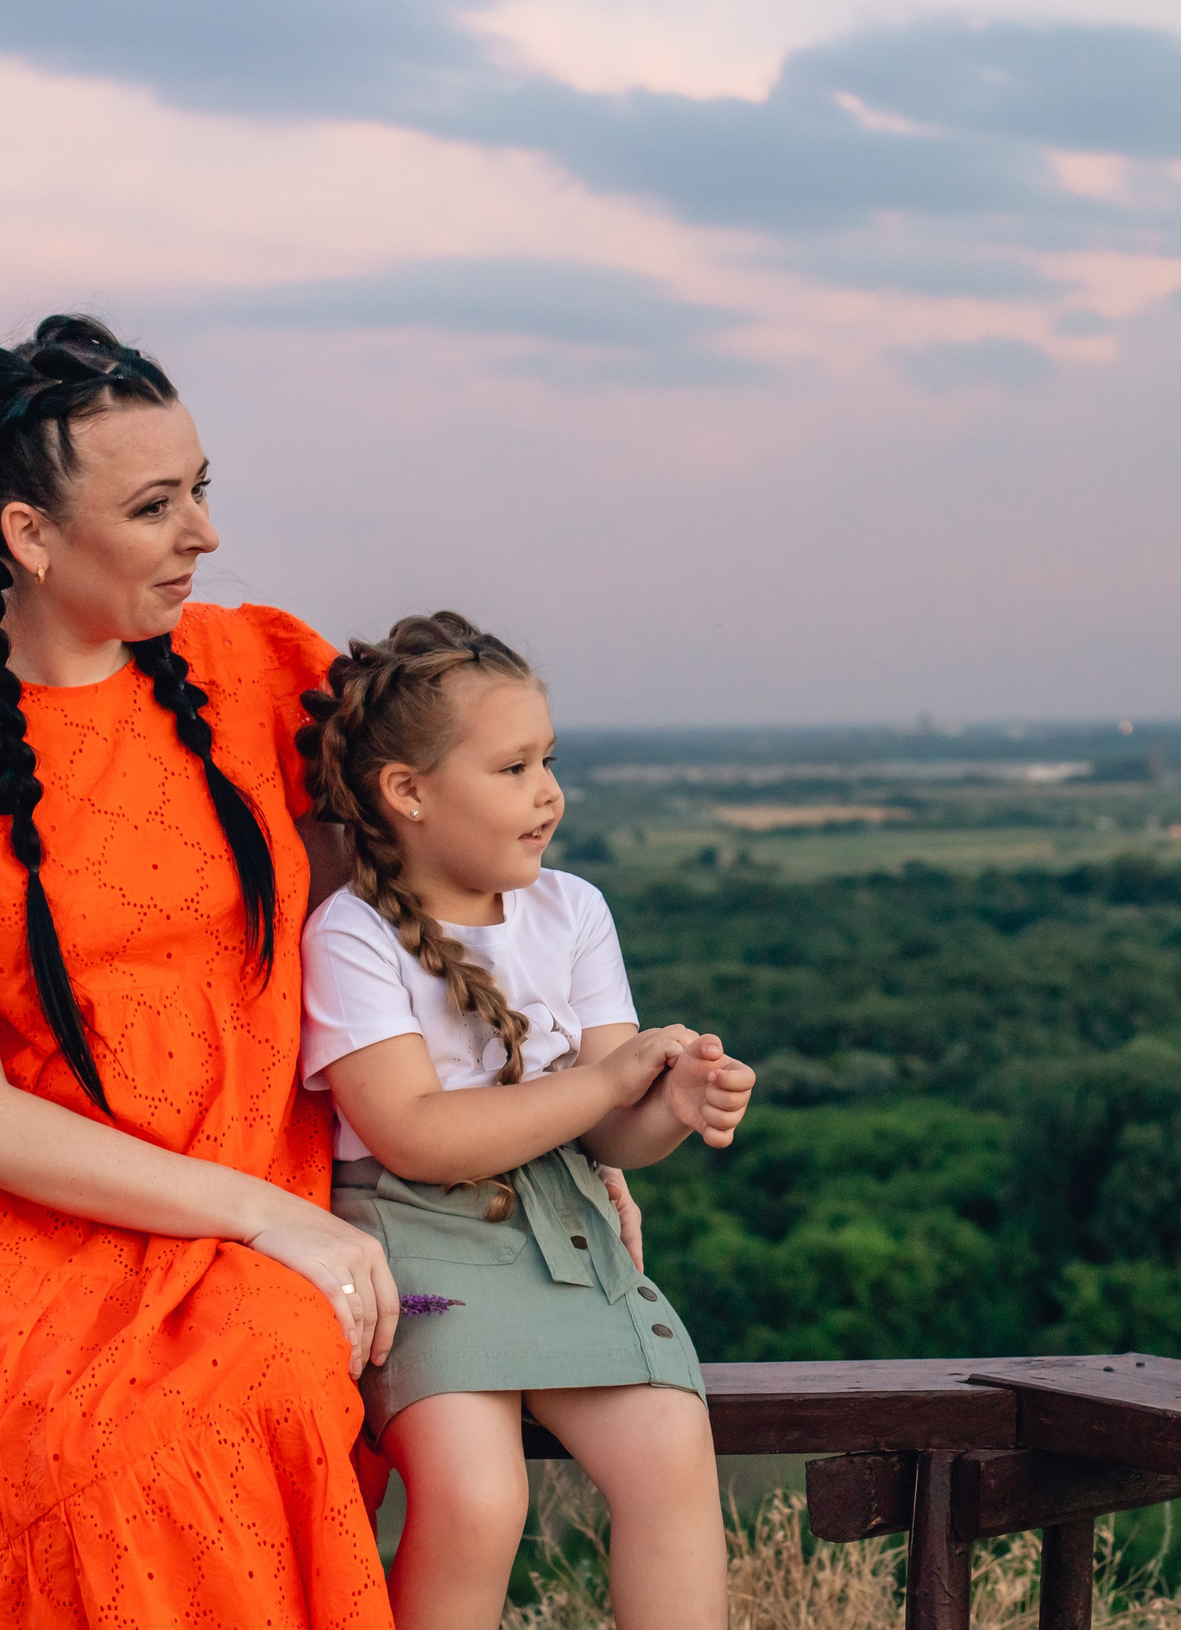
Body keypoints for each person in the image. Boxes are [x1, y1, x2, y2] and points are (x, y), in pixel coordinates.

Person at [0, 315, 400, 1627]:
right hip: (5, 1246)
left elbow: (436, 912)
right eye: (155, 506)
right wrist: (269, 1214)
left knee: (259, 1365)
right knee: (108, 1443)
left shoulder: (263, 670)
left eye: (204, 488)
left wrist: (563, 1135)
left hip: (249, 1219)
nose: (204, 533)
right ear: (31, 536)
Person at [296, 612, 757, 1630]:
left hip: (565, 1230)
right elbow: (413, 1130)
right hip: (420, 1246)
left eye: (549, 758)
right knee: (477, 1497)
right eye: (510, 767)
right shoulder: (356, 934)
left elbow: (608, 1135)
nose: (547, 791)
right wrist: (603, 1089)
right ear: (406, 792)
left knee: (672, 1449)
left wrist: (667, 1109)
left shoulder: (572, 910)